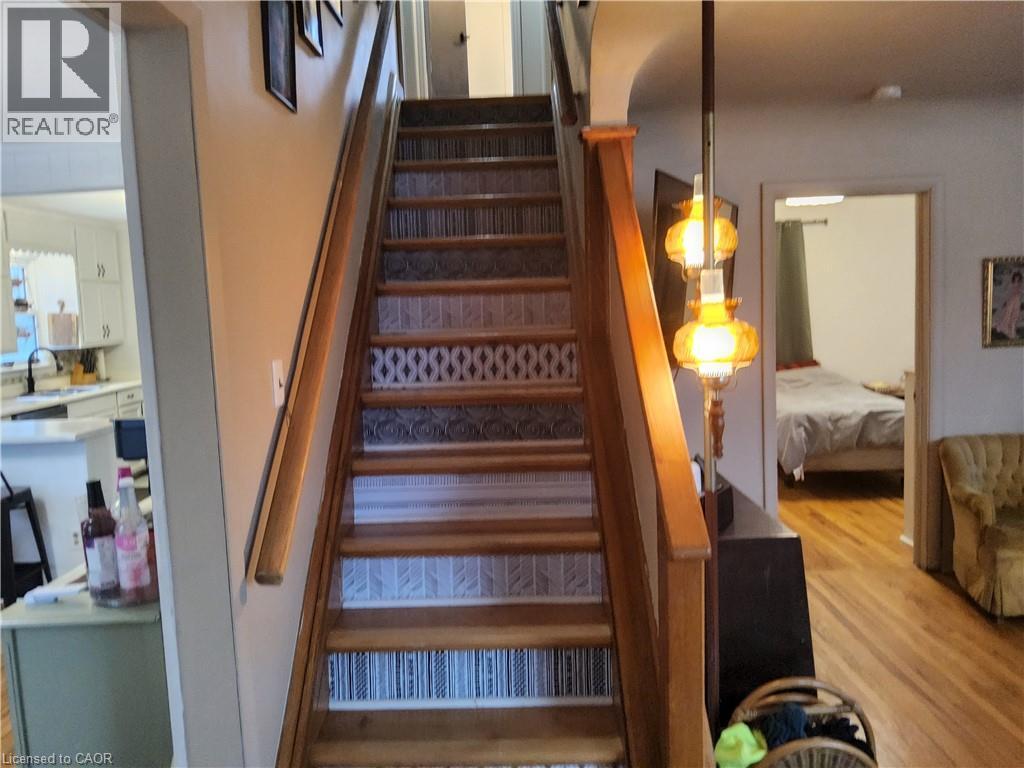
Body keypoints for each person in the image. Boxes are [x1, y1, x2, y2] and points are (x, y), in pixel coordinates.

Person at [993, 270, 1023, 340]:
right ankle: (1009, 332)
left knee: (1014, 317)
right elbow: (1008, 294)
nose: (1017, 281)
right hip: (1012, 301)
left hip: (1017, 302)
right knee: (1008, 315)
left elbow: (1020, 292)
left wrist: (1020, 291)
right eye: (1015, 279)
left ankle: (1012, 333)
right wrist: (1006, 302)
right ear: (1014, 279)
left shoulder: (1020, 285)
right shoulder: (1011, 285)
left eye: (1018, 279)